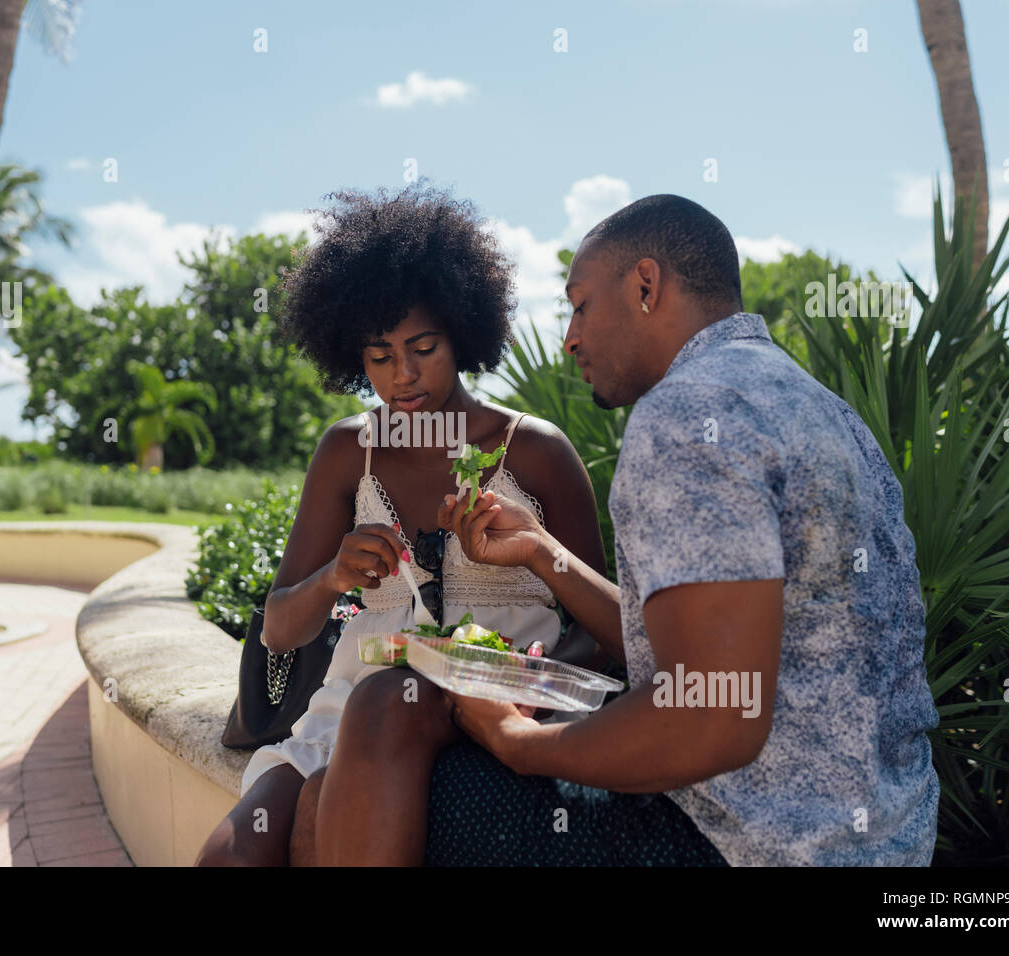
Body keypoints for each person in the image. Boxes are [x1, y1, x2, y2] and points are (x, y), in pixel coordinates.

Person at [314, 193, 941, 866]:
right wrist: (541, 552)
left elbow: (712, 718)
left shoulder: (686, 414)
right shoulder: (817, 406)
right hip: (886, 841)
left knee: (380, 740)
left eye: (580, 304)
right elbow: (696, 651)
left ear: (646, 286)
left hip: (738, 846)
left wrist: (518, 745)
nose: (571, 337)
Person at [195, 184, 618, 866]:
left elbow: (602, 633)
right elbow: (279, 628)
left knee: (327, 815)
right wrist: (334, 575)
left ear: (462, 331)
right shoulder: (346, 452)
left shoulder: (535, 451)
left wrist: (526, 690)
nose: (404, 376)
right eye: (380, 356)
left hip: (495, 704)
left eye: (423, 346)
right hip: (349, 706)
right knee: (230, 858)